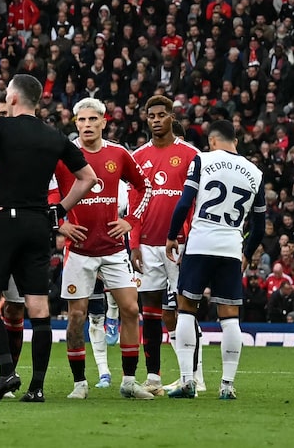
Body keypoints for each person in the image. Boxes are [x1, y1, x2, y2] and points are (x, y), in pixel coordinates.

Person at [0, 72, 96, 401]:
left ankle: (8, 372)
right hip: (40, 224)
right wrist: (59, 211)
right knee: (38, 307)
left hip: (5, 220)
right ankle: (37, 388)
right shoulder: (54, 136)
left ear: (12, 98)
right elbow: (88, 178)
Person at [54, 96, 152, 397]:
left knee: (131, 309)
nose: (87, 125)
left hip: (112, 248)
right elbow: (46, 193)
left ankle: (129, 382)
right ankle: (80, 384)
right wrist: (60, 224)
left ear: (103, 122)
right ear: (75, 124)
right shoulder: (63, 156)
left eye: (92, 119)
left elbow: (144, 186)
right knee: (76, 316)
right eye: (81, 120)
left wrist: (131, 220)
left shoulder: (118, 154)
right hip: (78, 251)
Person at [163, 117, 266, 402]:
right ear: (236, 139)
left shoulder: (202, 160)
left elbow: (185, 202)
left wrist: (172, 235)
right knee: (230, 317)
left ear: (212, 140)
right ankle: (227, 385)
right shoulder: (255, 172)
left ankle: (187, 381)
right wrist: (246, 253)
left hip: (200, 244)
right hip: (231, 248)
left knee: (186, 309)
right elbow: (259, 226)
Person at [129, 92, 195, 389]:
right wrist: (133, 244)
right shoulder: (138, 157)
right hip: (146, 245)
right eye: (151, 116)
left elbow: (195, 203)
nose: (156, 121)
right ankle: (153, 376)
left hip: (178, 244)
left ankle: (190, 377)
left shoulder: (191, 155)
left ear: (172, 117)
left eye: (161, 115)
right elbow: (134, 204)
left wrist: (190, 240)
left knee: (184, 311)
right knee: (150, 312)